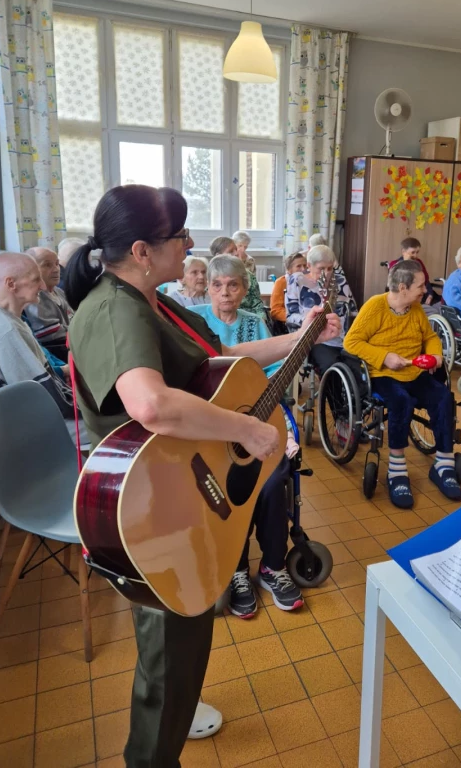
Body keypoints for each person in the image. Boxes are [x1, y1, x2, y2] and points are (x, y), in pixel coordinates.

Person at [65, 185, 339, 765]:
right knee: (168, 654)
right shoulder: (116, 309)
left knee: (186, 631)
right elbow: (150, 404)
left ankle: (176, 718)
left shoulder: (155, 303)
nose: (189, 242)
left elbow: (219, 362)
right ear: (141, 251)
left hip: (181, 484)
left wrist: (301, 337)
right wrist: (246, 430)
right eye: (179, 235)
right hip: (151, 500)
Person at [190, 254, 303, 615]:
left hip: (255, 416)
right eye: (217, 285)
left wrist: (270, 418)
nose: (225, 292)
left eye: (233, 285)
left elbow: (273, 372)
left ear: (244, 289)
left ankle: (272, 565)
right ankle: (235, 569)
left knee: (273, 479)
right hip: (211, 425)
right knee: (227, 485)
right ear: (207, 289)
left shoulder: (256, 323)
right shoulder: (195, 322)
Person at [344, 260, 461, 508]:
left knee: (443, 397)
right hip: (382, 374)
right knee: (401, 401)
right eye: (420, 286)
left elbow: (430, 337)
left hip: (413, 372)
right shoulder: (375, 306)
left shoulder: (415, 309)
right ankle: (396, 469)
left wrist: (435, 355)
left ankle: (443, 462)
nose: (425, 290)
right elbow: (351, 342)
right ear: (402, 287)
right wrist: (385, 356)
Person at [0, 253, 77, 424]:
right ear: (11, 284)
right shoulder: (8, 330)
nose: (43, 286)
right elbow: (44, 400)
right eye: (36, 279)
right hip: (33, 423)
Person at [286, 244, 356, 375]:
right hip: (314, 338)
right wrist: (312, 322)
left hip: (342, 337)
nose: (327, 273)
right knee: (332, 367)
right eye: (321, 268)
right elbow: (291, 316)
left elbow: (352, 312)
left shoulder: (340, 281)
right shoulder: (297, 280)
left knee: (357, 365)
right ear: (309, 266)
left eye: (330, 268)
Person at [24, 247, 74, 361]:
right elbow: (49, 333)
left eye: (57, 264)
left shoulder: (59, 292)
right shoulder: (34, 297)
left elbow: (74, 318)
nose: (56, 269)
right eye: (47, 265)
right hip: (57, 355)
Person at [209, 235, 265, 318]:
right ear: (218, 255)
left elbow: (257, 304)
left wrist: (261, 320)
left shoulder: (248, 275)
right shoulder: (210, 277)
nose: (236, 253)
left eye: (236, 249)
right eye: (231, 251)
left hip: (249, 319)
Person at [388, 237, 439, 305]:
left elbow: (426, 281)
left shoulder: (419, 262)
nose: (415, 255)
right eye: (413, 252)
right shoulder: (394, 264)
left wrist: (430, 294)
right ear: (403, 252)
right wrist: (407, 262)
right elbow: (396, 286)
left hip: (423, 295)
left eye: (417, 252)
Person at [270, 251, 307, 325]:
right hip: (289, 324)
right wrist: (297, 318)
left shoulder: (309, 281)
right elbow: (275, 311)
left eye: (305, 266)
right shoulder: (281, 282)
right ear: (289, 269)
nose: (303, 269)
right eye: (298, 266)